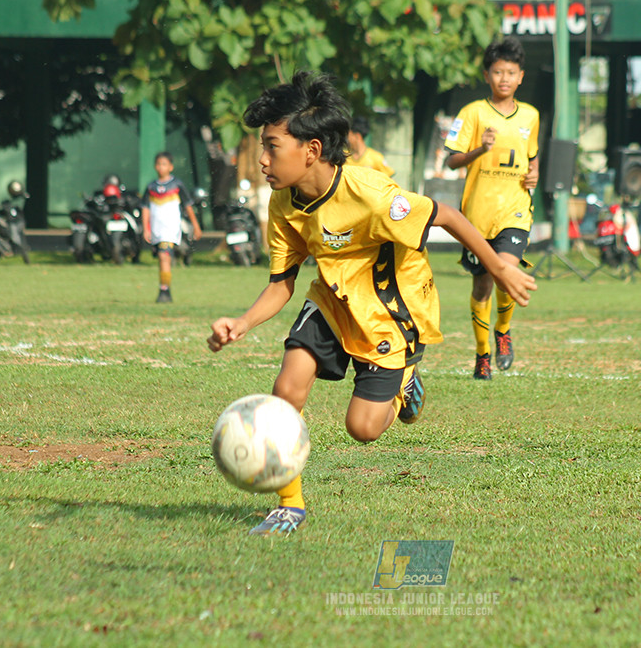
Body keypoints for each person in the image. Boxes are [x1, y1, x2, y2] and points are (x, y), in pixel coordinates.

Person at [206, 72, 536, 536]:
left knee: (362, 429)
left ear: (312, 150)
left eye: (272, 147)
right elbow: (282, 283)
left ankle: (405, 382)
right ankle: (289, 504)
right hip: (331, 301)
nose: (261, 160)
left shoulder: (371, 194)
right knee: (288, 388)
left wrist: (500, 268)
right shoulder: (283, 204)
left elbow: (448, 216)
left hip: (389, 313)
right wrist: (242, 322)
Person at [443, 37, 539, 380]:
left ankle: (504, 331)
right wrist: (479, 151)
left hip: (515, 210)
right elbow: (452, 160)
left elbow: (531, 155)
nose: (504, 79)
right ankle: (482, 353)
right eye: (497, 72)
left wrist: (535, 171)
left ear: (520, 77)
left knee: (506, 270)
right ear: (487, 75)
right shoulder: (472, 113)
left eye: (510, 73)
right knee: (482, 285)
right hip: (476, 216)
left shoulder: (531, 115)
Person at [141, 152, 202, 303]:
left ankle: (164, 291)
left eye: (164, 164)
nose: (161, 167)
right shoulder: (151, 187)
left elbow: (188, 205)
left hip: (171, 228)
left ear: (170, 167)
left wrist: (196, 225)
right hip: (156, 229)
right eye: (159, 164)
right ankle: (165, 288)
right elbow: (145, 208)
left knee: (164, 256)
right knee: (162, 257)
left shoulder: (177, 185)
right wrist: (146, 228)